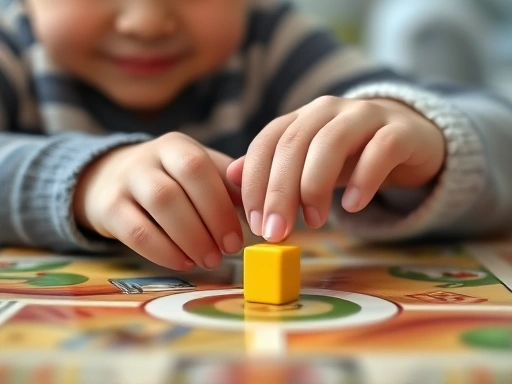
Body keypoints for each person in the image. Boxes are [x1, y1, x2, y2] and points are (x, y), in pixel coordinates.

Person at [0, 0, 511, 272]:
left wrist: (436, 143)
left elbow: (497, 123)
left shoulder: (274, 46)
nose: (146, 21)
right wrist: (87, 179)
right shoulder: (12, 51)